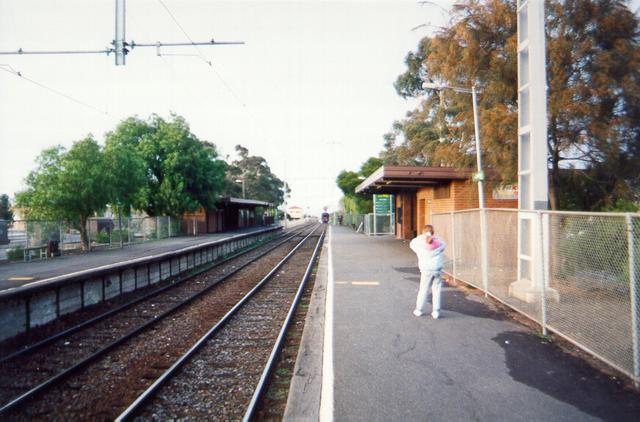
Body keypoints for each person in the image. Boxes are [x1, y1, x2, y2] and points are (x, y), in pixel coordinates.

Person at [409, 224, 447, 319]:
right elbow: (444, 244)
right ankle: (436, 312)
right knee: (437, 289)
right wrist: (434, 237)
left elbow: (412, 243)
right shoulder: (439, 244)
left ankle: (419, 309)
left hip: (426, 270)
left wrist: (423, 236)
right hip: (437, 270)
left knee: (423, 290)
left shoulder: (419, 245)